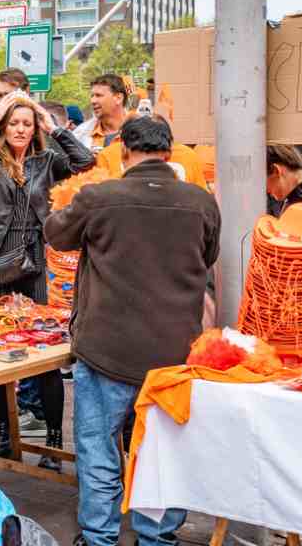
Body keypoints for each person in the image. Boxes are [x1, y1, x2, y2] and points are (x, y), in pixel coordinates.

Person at [45, 116, 220, 546]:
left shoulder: (100, 197)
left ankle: (99, 535)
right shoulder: (201, 202)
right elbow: (209, 255)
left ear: (123, 150)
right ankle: (156, 536)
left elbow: (55, 234)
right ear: (170, 152)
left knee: (98, 446)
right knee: (163, 451)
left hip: (107, 348)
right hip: (174, 349)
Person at [0, 91, 94, 471]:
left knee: (44, 355)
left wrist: (53, 127)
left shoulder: (46, 161)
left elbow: (85, 161)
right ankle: (3, 434)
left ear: (35, 129)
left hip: (33, 260)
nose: (20, 129)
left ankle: (53, 441)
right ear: (4, 127)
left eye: (27, 124)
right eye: (13, 123)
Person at [74, 74, 128, 153]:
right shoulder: (80, 134)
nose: (93, 101)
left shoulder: (142, 131)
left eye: (98, 95)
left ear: (118, 98)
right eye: (92, 96)